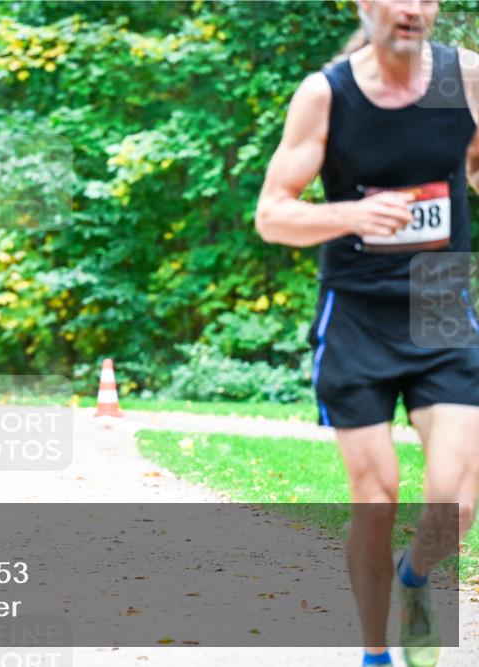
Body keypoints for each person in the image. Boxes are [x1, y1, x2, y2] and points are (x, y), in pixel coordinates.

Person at [255, 2, 479, 666]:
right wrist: (352, 215)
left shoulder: (463, 78)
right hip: (355, 311)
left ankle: (416, 573)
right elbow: (272, 214)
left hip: (439, 299)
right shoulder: (329, 94)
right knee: (376, 497)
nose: (412, 8)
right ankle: (376, 652)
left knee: (457, 500)